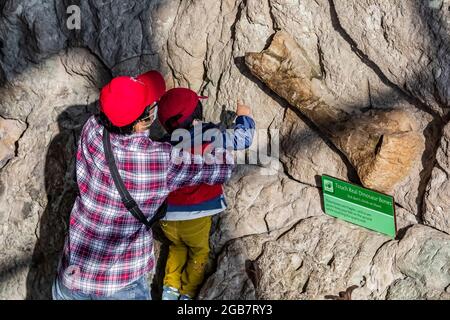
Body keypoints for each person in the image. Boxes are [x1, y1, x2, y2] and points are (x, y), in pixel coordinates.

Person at [52, 71, 235, 300]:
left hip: (72, 275)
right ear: (142, 123)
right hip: (119, 283)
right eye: (151, 107)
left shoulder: (92, 129)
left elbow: (120, 106)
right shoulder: (159, 160)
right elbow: (224, 167)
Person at [156, 88, 255, 300]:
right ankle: (188, 293)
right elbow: (243, 139)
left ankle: (169, 290)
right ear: (195, 119)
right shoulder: (211, 136)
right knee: (198, 251)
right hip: (196, 214)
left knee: (176, 247)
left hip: (166, 216)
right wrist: (244, 116)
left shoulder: (161, 145)